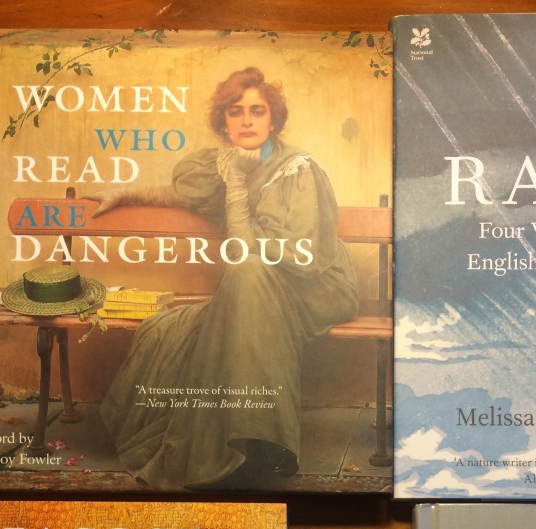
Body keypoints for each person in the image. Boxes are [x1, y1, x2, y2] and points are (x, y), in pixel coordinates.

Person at [91, 66, 359, 489]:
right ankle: (242, 447)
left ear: (273, 121)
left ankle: (261, 444)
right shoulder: (223, 164)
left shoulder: (297, 170)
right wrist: (126, 194)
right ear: (224, 123)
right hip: (254, 286)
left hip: (314, 285)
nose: (247, 121)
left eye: (257, 111)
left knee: (246, 274)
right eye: (236, 112)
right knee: (186, 321)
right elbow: (181, 196)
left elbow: (259, 254)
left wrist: (236, 185)